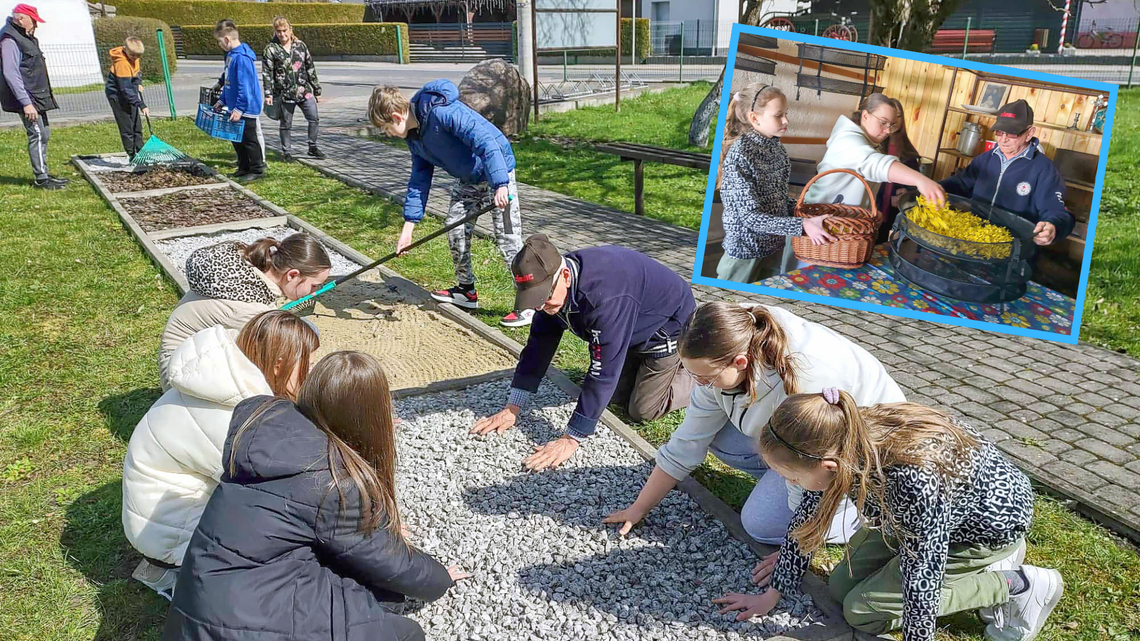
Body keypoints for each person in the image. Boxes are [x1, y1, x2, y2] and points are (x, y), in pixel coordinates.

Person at [162, 351, 469, 641]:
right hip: (238, 625)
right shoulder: (333, 481)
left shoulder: (265, 428)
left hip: (199, 608)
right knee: (403, 632)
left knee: (377, 597)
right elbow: (388, 561)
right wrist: (439, 578)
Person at [723, 389, 1063, 641]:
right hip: (914, 516)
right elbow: (807, 519)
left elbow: (923, 575)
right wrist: (773, 593)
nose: (790, 484)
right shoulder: (836, 438)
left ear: (829, 467)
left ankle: (1015, 583)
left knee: (862, 612)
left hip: (983, 529)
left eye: (793, 478)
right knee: (839, 588)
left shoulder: (913, 481)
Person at [604, 302, 905, 545]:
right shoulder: (727, 338)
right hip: (799, 444)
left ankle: (856, 514)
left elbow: (816, 463)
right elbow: (688, 440)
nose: (699, 384)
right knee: (717, 436)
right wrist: (639, 507)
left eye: (705, 378)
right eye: (693, 375)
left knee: (759, 524)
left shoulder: (805, 383)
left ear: (740, 362)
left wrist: (796, 547)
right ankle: (783, 475)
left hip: (855, 455)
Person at [122, 311, 319, 600]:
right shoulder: (232, 418)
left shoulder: (223, 381)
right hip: (169, 536)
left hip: (162, 515)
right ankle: (177, 580)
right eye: (307, 365)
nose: (311, 373)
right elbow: (275, 488)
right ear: (279, 365)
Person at [471, 234, 696, 471]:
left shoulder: (604, 298)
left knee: (642, 409)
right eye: (535, 299)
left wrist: (570, 438)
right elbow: (539, 344)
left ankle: (696, 374)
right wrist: (512, 407)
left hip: (668, 328)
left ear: (565, 276)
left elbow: (603, 371)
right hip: (631, 324)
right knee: (613, 396)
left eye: (545, 297)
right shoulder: (551, 283)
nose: (540, 306)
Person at [367, 81, 529, 327]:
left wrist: (500, 184)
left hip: (498, 173)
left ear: (397, 116)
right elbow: (419, 180)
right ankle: (466, 291)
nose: (388, 134)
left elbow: (486, 142)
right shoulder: (414, 138)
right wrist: (408, 228)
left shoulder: (443, 112)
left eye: (387, 128)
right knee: (455, 228)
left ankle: (529, 302)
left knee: (508, 239)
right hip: (468, 180)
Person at [158, 234, 331, 390]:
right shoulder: (249, 308)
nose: (314, 292)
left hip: (190, 357)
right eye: (314, 285)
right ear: (292, 275)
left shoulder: (243, 275)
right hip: (180, 377)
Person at [715, 83, 834, 284]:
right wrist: (802, 225)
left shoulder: (777, 150)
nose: (786, 120)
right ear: (755, 118)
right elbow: (750, 218)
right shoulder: (740, 155)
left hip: (774, 248)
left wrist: (804, 210)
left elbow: (777, 200)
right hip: (745, 253)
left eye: (786, 114)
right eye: (778, 115)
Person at [941, 99, 1074, 246]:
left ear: (1029, 133)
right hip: (974, 238)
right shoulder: (985, 159)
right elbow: (961, 183)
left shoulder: (1044, 169)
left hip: (1013, 246)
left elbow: (1056, 211)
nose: (1003, 140)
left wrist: (1053, 226)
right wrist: (935, 187)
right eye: (999, 132)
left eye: (1012, 134)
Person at [805, 93, 944, 213]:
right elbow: (876, 164)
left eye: (891, 125)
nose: (888, 131)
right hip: (818, 220)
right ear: (865, 116)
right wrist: (921, 180)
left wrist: (870, 211)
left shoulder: (869, 142)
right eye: (883, 122)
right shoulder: (847, 141)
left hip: (842, 223)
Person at [0, 4, 67, 190]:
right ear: (21, 19)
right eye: (34, 21)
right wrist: (26, 103)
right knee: (36, 134)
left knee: (44, 133)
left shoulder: (24, 37)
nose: (36, 25)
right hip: (27, 98)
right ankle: (41, 179)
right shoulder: (10, 39)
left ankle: (44, 172)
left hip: (37, 95)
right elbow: (10, 73)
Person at [262, 16, 325, 162]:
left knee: (314, 118)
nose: (282, 34)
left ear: (290, 30)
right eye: (278, 31)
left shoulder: (300, 46)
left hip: (304, 91)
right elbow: (267, 73)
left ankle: (312, 147)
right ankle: (287, 152)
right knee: (286, 124)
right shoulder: (271, 49)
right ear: (275, 32)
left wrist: (317, 90)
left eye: (284, 30)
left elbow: (310, 67)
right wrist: (268, 93)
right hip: (284, 94)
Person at [213, 21, 266, 183]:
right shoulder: (231, 56)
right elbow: (229, 81)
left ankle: (257, 169)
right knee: (237, 139)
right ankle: (243, 167)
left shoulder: (242, 58)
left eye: (219, 42)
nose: (219, 45)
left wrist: (239, 109)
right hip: (233, 105)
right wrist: (222, 100)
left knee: (249, 140)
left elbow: (245, 87)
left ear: (227, 39)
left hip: (246, 107)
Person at [874, 97, 923, 244]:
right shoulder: (874, 146)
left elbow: (915, 186)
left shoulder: (909, 152)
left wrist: (906, 194)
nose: (893, 121)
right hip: (872, 208)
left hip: (892, 211)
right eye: (889, 118)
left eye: (898, 116)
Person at [105, 36, 149, 160]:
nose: (135, 58)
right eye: (133, 55)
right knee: (127, 126)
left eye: (138, 56)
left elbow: (136, 73)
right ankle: (132, 155)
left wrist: (138, 83)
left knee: (136, 124)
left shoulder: (135, 57)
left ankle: (141, 151)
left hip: (128, 91)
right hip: (117, 95)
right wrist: (141, 105)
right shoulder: (122, 63)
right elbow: (125, 89)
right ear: (125, 50)